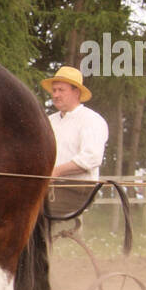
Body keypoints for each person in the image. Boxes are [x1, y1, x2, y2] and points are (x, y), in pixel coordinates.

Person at [40, 65, 108, 221]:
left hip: (78, 190)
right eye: (54, 90)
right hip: (48, 187)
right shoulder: (49, 121)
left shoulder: (91, 120)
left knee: (31, 210)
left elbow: (92, 157)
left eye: (61, 90)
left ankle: (39, 244)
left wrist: (56, 172)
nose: (55, 95)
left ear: (76, 92)